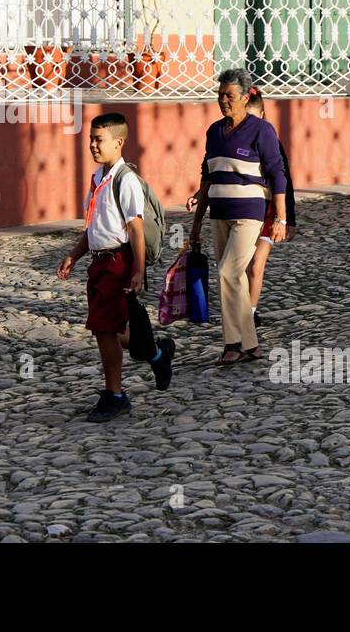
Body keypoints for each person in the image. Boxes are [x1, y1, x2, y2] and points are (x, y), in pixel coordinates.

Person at [57, 113, 174, 422]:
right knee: (113, 327)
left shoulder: (126, 181)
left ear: (118, 142)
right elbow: (94, 227)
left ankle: (116, 394)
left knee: (105, 328)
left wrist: (137, 270)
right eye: (91, 139)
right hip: (98, 264)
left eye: (100, 140)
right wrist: (74, 255)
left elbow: (134, 229)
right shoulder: (98, 179)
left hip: (118, 263)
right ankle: (156, 353)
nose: (93, 145)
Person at [188, 72, 289, 365]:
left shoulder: (262, 130)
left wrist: (280, 218)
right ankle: (252, 345)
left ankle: (232, 343)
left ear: (245, 98)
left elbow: (277, 173)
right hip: (219, 212)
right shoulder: (214, 132)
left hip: (250, 213)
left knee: (227, 273)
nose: (223, 101)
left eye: (229, 96)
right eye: (220, 95)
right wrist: (196, 223)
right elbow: (207, 175)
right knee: (237, 281)